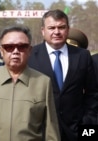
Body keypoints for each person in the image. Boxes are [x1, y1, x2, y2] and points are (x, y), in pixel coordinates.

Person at [0, 25, 60, 141]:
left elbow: (51, 129)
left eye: (22, 47)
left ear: (29, 50)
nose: (15, 51)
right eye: (9, 47)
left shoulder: (43, 82)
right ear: (1, 50)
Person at [28, 9, 98, 141]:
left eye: (61, 27)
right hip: (40, 132)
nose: (56, 32)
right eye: (51, 28)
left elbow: (93, 94)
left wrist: (88, 122)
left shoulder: (83, 56)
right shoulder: (30, 56)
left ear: (68, 29)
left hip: (76, 131)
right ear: (43, 31)